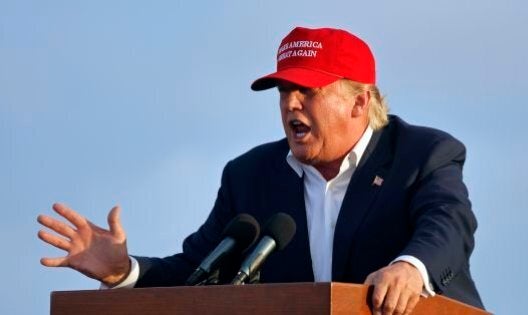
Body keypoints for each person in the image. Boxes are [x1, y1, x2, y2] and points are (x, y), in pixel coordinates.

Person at [37, 26, 484, 315]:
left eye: (307, 90)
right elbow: (201, 271)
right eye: (284, 91)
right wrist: (124, 271)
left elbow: (448, 225)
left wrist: (409, 268)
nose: (290, 104)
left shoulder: (423, 153)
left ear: (360, 102)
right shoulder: (250, 176)